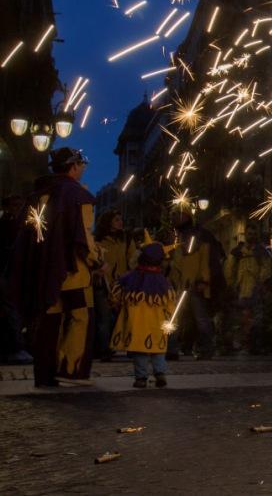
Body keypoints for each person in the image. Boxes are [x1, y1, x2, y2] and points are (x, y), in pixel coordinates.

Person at [12, 148, 102, 387]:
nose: (83, 169)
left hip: (44, 269)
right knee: (80, 317)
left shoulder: (39, 194)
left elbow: (29, 233)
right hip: (74, 269)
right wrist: (95, 260)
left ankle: (45, 374)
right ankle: (72, 370)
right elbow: (83, 235)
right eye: (81, 165)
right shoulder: (77, 194)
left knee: (49, 320)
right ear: (73, 167)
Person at [109, 242, 176, 388]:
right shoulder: (163, 282)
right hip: (158, 324)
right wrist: (171, 319)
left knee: (139, 350)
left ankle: (141, 377)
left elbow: (116, 293)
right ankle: (160, 373)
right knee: (158, 349)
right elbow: (170, 304)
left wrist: (116, 305)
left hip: (136, 323)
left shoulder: (130, 277)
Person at [168, 209, 226, 360]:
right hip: (182, 284)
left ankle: (206, 349)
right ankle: (172, 348)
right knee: (177, 318)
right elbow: (178, 262)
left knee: (199, 319)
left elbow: (206, 259)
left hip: (193, 284)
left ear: (186, 216)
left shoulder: (198, 235)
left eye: (176, 214)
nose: (173, 217)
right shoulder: (181, 236)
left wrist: (203, 280)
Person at [93, 210, 134, 362]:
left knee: (124, 317)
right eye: (117, 220)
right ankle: (104, 349)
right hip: (103, 284)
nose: (120, 222)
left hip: (122, 284)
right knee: (104, 319)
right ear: (108, 221)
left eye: (121, 219)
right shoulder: (97, 240)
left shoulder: (126, 239)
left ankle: (130, 346)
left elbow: (132, 259)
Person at [0, 195, 33, 364]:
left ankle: (15, 346)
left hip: (11, 271)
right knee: (11, 309)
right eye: (15, 205)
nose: (18, 208)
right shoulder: (8, 223)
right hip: (6, 271)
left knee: (13, 309)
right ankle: (15, 347)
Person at [224, 236, 271, 353]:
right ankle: (241, 343)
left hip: (253, 289)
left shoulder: (261, 252)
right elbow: (229, 270)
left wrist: (260, 282)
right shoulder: (238, 252)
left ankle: (251, 344)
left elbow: (266, 270)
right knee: (242, 319)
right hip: (242, 289)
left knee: (253, 319)